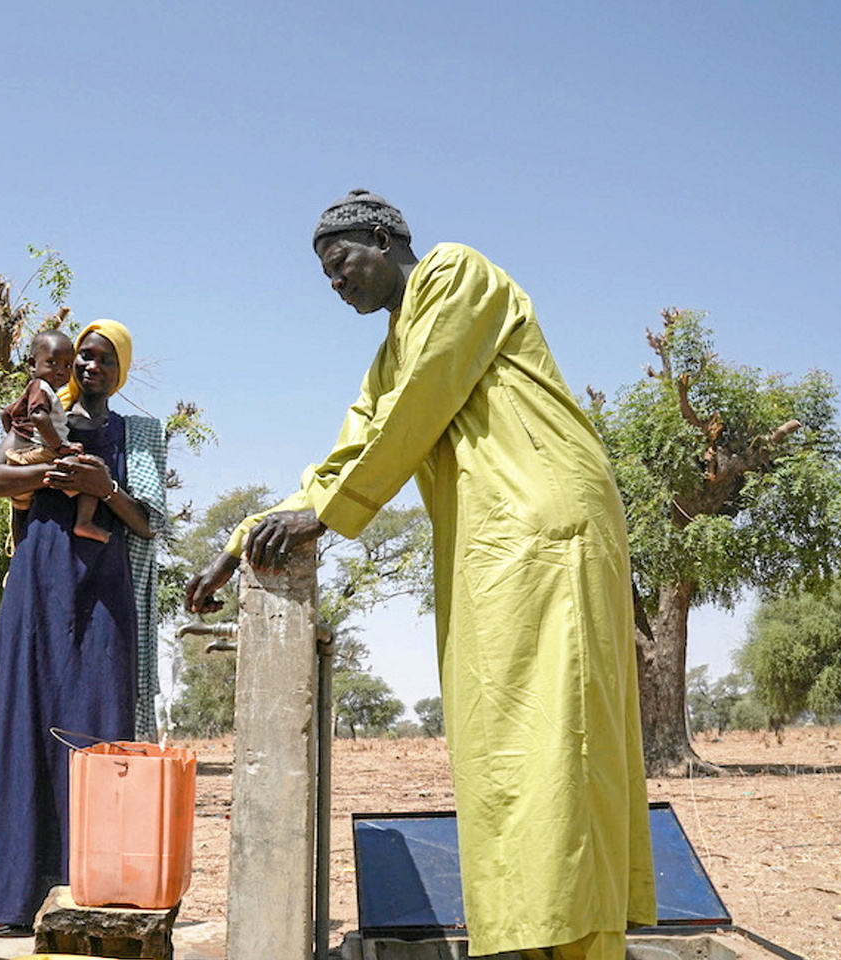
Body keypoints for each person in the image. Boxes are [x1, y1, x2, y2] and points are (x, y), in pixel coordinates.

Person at [185, 190, 656, 959]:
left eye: (341, 263)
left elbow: (427, 391)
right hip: (486, 543)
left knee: (557, 739)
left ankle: (576, 941)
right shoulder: (391, 353)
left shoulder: (454, 271)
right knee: (499, 744)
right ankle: (526, 936)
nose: (336, 285)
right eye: (326, 277)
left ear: (383, 237)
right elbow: (359, 439)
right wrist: (241, 542)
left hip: (546, 522)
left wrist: (332, 514)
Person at [0, 320, 167, 934]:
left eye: (105, 360)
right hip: (36, 586)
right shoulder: (35, 419)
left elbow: (146, 523)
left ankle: (91, 886)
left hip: (104, 595)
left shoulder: (138, 434)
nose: (91, 367)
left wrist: (103, 487)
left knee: (98, 731)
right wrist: (48, 475)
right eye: (84, 357)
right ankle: (13, 899)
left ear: (122, 370)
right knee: (24, 722)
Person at [1, 328, 110, 543]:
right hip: (42, 451)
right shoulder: (41, 388)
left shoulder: (38, 390)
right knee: (92, 469)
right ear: (33, 364)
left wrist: (15, 435)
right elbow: (39, 417)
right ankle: (84, 522)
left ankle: (18, 541)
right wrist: (60, 447)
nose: (60, 370)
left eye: (67, 366)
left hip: (28, 453)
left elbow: (6, 413)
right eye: (52, 363)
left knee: (21, 508)